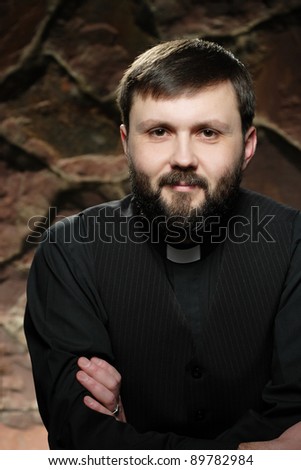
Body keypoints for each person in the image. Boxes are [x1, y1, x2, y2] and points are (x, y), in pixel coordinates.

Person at [24, 37, 301, 450]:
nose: (183, 157)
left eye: (208, 132)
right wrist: (254, 455)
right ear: (126, 143)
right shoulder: (67, 253)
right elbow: (79, 436)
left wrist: (131, 440)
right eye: (159, 131)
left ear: (247, 146)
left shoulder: (295, 243)